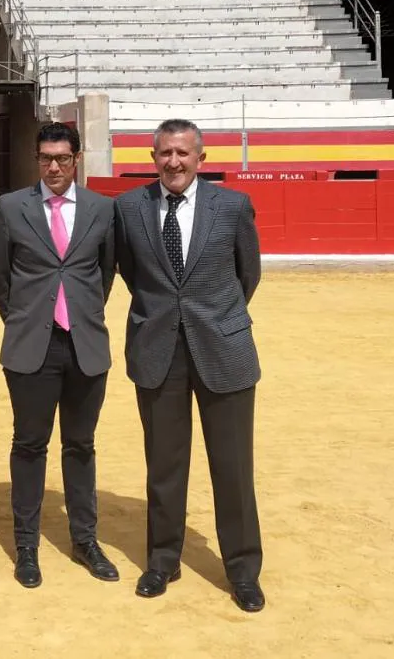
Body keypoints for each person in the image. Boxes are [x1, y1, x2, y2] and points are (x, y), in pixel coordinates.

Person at [113, 118, 266, 613]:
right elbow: (133, 275)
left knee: (233, 467)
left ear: (201, 157)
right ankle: (162, 560)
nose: (173, 162)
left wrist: (214, 319)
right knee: (164, 464)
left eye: (183, 153)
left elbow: (248, 274)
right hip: (158, 349)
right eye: (164, 153)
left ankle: (242, 570)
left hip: (222, 347)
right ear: (152, 157)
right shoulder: (129, 208)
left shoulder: (233, 206)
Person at [0, 121, 119, 589]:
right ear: (36, 159)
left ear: (76, 159)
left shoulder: (103, 210)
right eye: (46, 158)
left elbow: (103, 277)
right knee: (29, 445)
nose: (54, 166)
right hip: (31, 347)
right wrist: (26, 321)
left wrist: (78, 316)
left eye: (62, 158)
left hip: (84, 344)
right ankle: (27, 545)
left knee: (81, 446)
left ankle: (85, 539)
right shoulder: (11, 207)